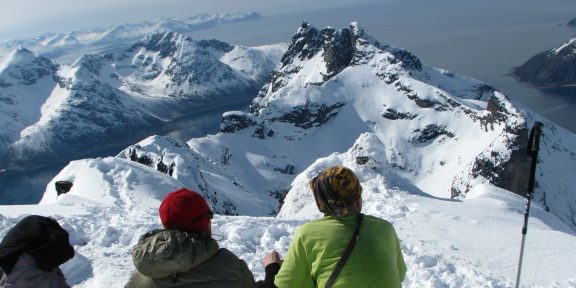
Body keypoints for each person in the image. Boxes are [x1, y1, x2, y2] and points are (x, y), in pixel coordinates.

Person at [258, 165, 407, 288]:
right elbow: (399, 274)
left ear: (321, 204)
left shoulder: (308, 234)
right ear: (358, 201)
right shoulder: (385, 229)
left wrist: (272, 267)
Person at [125, 188, 256, 288]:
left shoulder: (142, 274)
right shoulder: (230, 267)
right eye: (209, 216)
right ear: (204, 223)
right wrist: (271, 270)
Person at [0, 215, 75, 288]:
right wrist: (69, 253)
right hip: (23, 263)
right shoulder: (55, 230)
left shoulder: (35, 224)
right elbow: (61, 247)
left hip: (6, 263)